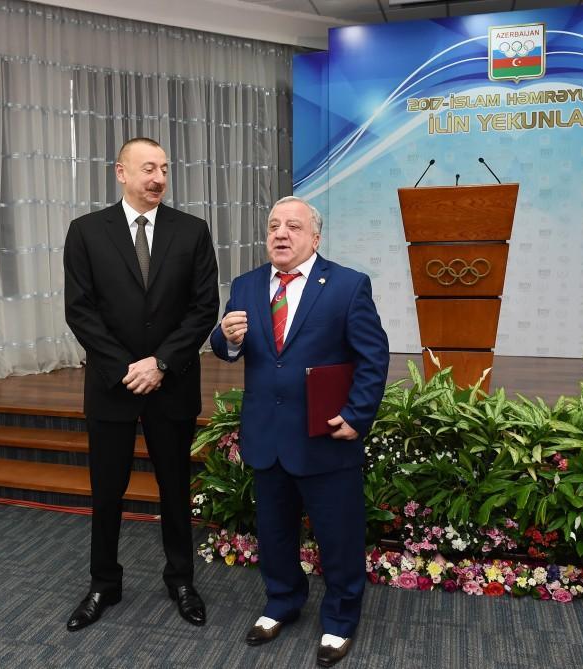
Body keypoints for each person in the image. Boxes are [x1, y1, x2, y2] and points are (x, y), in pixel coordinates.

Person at [210, 196, 389, 667]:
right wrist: (226, 338)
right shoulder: (247, 285)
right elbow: (225, 345)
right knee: (274, 533)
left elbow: (373, 357)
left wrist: (357, 415)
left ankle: (340, 619)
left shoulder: (347, 286)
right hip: (267, 436)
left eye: (293, 226)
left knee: (339, 536)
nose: (281, 234)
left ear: (316, 237)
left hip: (325, 436)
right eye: (273, 226)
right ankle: (283, 601)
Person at [63, 137, 220, 631]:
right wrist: (127, 368)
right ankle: (103, 583)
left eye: (165, 169)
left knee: (175, 489)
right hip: (112, 385)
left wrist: (161, 364)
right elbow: (80, 311)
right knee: (107, 491)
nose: (158, 178)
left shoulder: (192, 231)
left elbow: (203, 309)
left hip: (172, 384)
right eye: (149, 168)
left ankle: (182, 581)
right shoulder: (86, 232)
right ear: (121, 172)